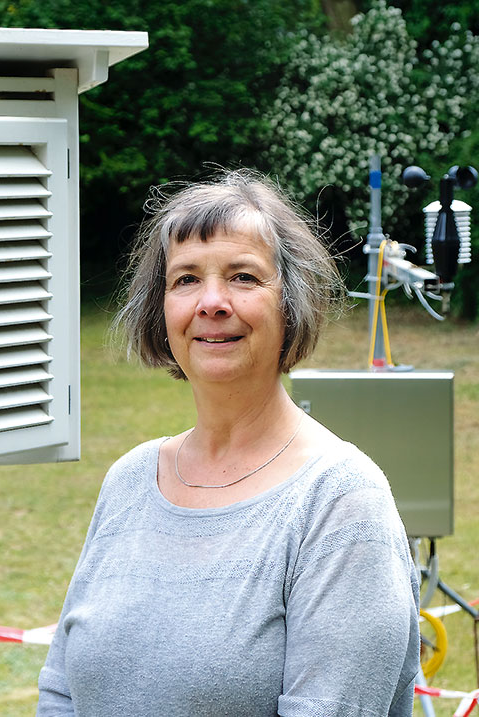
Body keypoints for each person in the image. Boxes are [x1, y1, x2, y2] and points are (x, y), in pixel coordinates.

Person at [37, 170, 420, 716]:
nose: (212, 302)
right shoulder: (130, 480)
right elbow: (60, 694)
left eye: (243, 277)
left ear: (291, 301)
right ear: (160, 307)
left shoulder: (341, 501)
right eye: (186, 279)